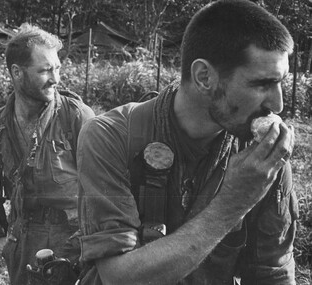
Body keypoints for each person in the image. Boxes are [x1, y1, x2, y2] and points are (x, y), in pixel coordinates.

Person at [75, 0, 298, 284]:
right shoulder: (110, 137)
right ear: (204, 77)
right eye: (261, 84)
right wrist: (234, 201)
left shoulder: (261, 152)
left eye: (280, 82)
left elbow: (273, 272)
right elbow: (119, 277)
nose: (277, 105)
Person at [0, 24, 94, 284]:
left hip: (74, 240)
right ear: (17, 73)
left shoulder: (76, 117)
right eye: (45, 70)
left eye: (57, 68)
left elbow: (108, 185)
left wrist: (92, 242)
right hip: (23, 240)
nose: (56, 79)